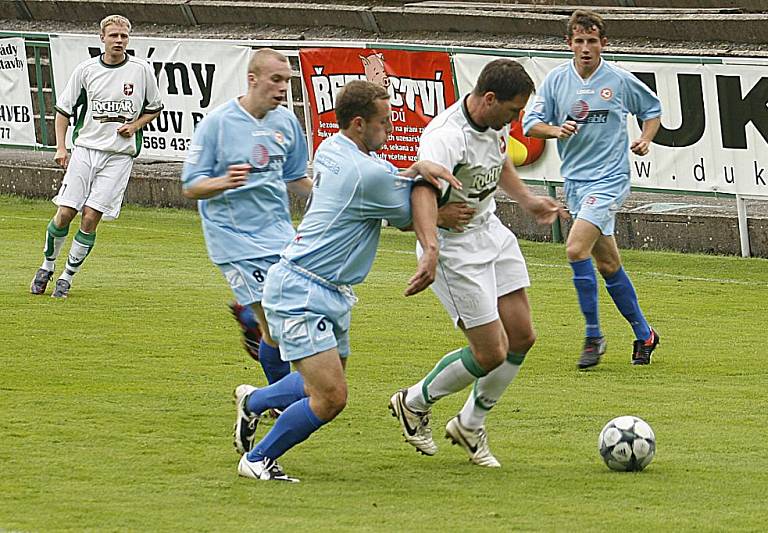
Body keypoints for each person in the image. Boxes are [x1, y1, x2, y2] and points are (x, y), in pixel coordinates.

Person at [232, 80, 459, 482]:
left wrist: (416, 171)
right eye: (385, 123)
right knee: (331, 397)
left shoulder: (334, 148)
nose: (390, 130)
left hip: (326, 289)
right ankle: (258, 459)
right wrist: (430, 201)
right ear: (359, 123)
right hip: (303, 289)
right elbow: (412, 207)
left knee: (312, 383)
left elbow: (392, 180)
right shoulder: (363, 172)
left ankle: (253, 400)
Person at [389, 59, 563, 468]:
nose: (516, 119)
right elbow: (421, 190)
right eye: (513, 110)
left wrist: (528, 200)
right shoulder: (445, 137)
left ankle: (470, 423)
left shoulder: (494, 123)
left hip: (491, 232)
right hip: (454, 250)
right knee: (490, 353)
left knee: (521, 337)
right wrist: (431, 247)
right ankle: (412, 402)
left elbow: (499, 162)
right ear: (489, 98)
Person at [523, 9, 662, 369]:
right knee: (608, 262)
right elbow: (531, 124)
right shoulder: (556, 81)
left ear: (603, 43)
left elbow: (652, 110)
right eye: (580, 41)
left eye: (592, 41)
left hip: (609, 180)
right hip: (576, 183)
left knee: (574, 249)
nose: (586, 47)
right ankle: (645, 334)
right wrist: (556, 130)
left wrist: (645, 139)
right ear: (569, 43)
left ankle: (593, 335)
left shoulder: (617, 80)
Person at [182, 49, 312, 387]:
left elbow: (296, 177)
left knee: (297, 314)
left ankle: (250, 321)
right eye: (276, 79)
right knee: (278, 326)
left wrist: (335, 198)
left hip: (280, 234)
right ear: (252, 79)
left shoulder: (286, 123)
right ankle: (277, 400)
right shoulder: (217, 124)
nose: (283, 88)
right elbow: (191, 186)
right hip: (234, 240)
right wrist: (224, 181)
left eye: (287, 81)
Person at [29, 15, 163, 298]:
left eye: (123, 36)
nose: (119, 41)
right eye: (113, 36)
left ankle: (67, 277)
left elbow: (154, 107)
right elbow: (63, 111)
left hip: (118, 158)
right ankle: (46, 266)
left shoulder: (141, 70)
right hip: (86, 151)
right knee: (65, 213)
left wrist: (135, 125)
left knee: (90, 218)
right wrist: (61, 148)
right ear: (102, 38)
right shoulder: (86, 70)